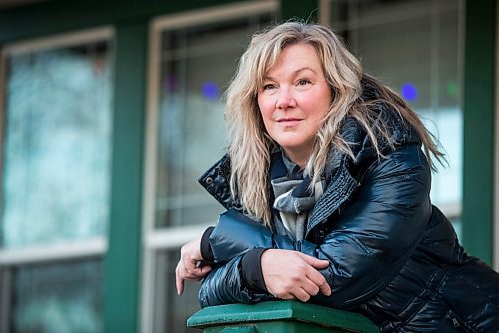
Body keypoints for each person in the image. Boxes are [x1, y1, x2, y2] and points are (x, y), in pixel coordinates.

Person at [175, 21, 499, 332]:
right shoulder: (257, 180)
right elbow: (210, 294)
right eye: (269, 86)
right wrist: (255, 266)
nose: (284, 101)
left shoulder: (389, 153)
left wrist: (219, 241)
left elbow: (334, 279)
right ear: (255, 101)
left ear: (336, 90)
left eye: (302, 82)